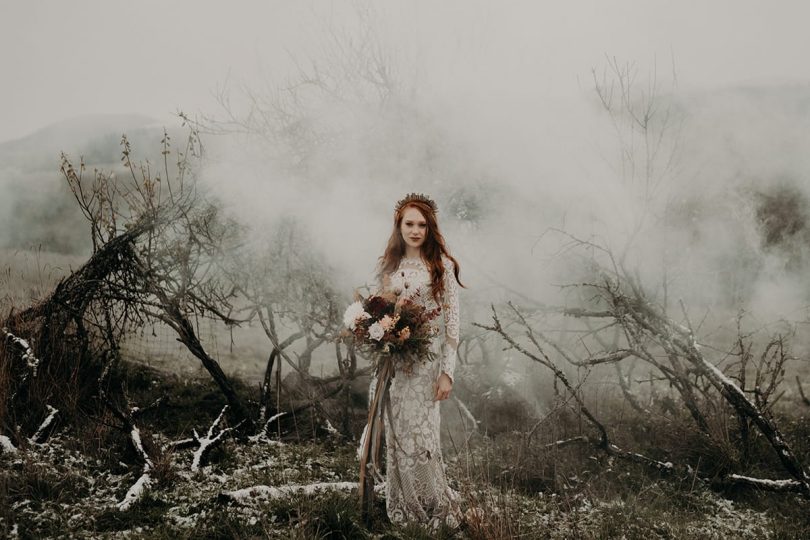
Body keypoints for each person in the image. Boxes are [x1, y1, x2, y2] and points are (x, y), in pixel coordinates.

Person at [373, 192, 464, 529]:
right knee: (397, 435)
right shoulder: (390, 266)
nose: (415, 230)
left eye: (421, 224)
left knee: (422, 435)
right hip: (394, 366)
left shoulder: (443, 266)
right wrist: (377, 331)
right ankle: (404, 506)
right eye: (409, 224)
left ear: (430, 227)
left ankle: (433, 503)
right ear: (399, 225)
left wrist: (447, 373)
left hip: (425, 366)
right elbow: (381, 310)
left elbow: (452, 325)